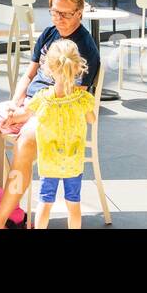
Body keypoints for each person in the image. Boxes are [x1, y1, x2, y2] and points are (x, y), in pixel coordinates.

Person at [0, 0, 100, 227]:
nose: (59, 19)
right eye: (54, 12)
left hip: (51, 115)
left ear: (79, 12)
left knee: (25, 143)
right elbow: (29, 75)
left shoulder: (85, 49)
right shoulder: (49, 32)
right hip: (27, 105)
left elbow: (69, 103)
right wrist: (15, 103)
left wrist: (24, 115)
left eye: (65, 14)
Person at [30, 40, 96, 230]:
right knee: (73, 204)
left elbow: (26, 113)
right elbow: (91, 119)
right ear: (77, 67)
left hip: (49, 161)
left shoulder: (42, 98)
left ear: (49, 68)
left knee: (45, 203)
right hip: (73, 162)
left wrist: (11, 116)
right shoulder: (82, 99)